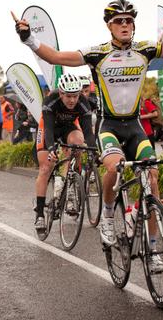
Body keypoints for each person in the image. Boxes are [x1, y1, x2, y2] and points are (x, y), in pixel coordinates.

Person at [15, 0, 163, 272]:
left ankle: (152, 248)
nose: (125, 25)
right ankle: (108, 215)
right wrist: (29, 38)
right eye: (119, 21)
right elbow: (56, 56)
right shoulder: (97, 53)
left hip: (135, 127)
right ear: (109, 26)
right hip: (108, 126)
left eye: (129, 21)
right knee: (113, 167)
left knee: (150, 178)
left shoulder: (146, 49)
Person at [32, 73, 97, 232]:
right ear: (61, 93)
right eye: (68, 96)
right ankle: (39, 213)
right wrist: (52, 148)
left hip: (68, 127)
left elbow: (88, 132)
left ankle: (70, 184)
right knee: (46, 167)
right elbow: (48, 129)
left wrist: (93, 150)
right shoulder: (50, 100)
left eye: (75, 96)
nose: (72, 100)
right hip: (49, 128)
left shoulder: (83, 103)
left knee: (79, 143)